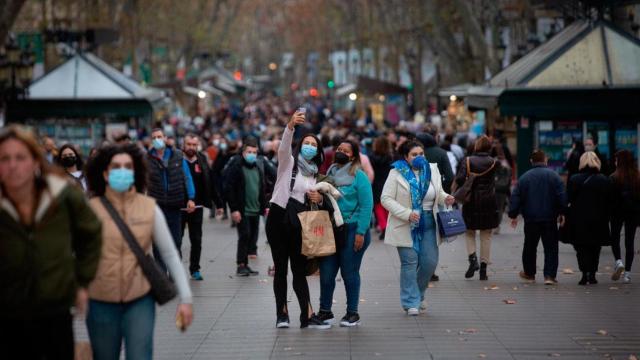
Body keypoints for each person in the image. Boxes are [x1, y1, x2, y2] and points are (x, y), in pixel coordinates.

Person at [0, 125, 102, 359]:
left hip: (54, 307)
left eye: (20, 157)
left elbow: (92, 233)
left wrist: (83, 281)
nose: (13, 165)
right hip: (7, 309)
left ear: (35, 161)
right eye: (5, 158)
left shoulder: (61, 193)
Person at [85, 144, 193, 359]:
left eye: (128, 166)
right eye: (116, 167)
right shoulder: (90, 210)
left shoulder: (148, 207)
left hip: (139, 297)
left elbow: (170, 254)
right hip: (100, 298)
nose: (122, 171)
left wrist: (186, 298)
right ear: (105, 174)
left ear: (135, 173)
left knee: (140, 354)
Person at [266, 110, 330, 329]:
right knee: (281, 268)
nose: (310, 146)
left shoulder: (314, 174)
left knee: (299, 270)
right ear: (300, 144)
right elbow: (284, 147)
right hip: (279, 217)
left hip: (300, 223)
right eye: (307, 142)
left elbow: (319, 202)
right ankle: (281, 313)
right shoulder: (289, 162)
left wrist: (318, 197)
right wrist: (290, 126)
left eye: (314, 144)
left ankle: (307, 314)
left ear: (318, 151)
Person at [381, 140, 454, 315]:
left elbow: (438, 192)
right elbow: (386, 199)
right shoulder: (396, 172)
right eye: (414, 155)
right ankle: (410, 302)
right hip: (405, 223)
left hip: (429, 222)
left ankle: (418, 294)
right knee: (409, 263)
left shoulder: (432, 170)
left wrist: (446, 198)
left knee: (430, 263)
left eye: (421, 153)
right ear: (406, 157)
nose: (419, 157)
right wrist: (407, 213)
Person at [317, 140, 373, 327]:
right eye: (339, 149)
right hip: (331, 229)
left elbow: (367, 205)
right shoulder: (329, 174)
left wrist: (361, 232)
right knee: (326, 273)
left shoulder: (359, 175)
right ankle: (325, 311)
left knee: (349, 272)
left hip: (353, 228)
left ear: (354, 156)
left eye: (346, 151)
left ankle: (352, 313)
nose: (341, 152)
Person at [508, 150, 567, 285]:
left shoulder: (524, 178)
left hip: (531, 219)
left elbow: (516, 197)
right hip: (550, 218)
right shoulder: (555, 177)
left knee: (529, 246)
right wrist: (563, 212)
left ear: (531, 161)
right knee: (551, 247)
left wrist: (513, 214)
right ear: (545, 160)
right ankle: (549, 276)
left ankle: (529, 274)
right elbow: (562, 196)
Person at [147, 128, 196, 268]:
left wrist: (191, 198)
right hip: (156, 206)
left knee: (176, 242)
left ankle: (174, 273)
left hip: (175, 205)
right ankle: (162, 276)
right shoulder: (147, 159)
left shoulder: (178, 156)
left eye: (159, 136)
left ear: (165, 138)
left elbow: (187, 177)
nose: (157, 139)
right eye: (154, 137)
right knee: (158, 245)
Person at [455, 135, 500, 281]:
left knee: (469, 232)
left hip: (471, 200)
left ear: (476, 146)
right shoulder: (494, 162)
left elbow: (460, 179)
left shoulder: (467, 161)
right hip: (489, 200)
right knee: (486, 235)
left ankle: (472, 260)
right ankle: (484, 269)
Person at [224, 138, 270, 276]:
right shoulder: (237, 167)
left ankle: (246, 265)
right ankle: (241, 265)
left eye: (254, 152)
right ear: (243, 153)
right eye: (249, 152)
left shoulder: (257, 168)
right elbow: (229, 188)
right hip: (242, 209)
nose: (252, 155)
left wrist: (264, 206)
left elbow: (261, 188)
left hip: (255, 209)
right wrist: (234, 209)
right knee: (244, 236)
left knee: (251, 237)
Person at [182, 133, 224, 280]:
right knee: (177, 240)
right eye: (189, 144)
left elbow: (210, 182)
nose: (191, 147)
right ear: (183, 145)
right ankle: (176, 271)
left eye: (194, 145)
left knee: (196, 240)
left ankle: (195, 269)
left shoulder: (202, 160)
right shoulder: (178, 161)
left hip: (198, 207)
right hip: (180, 208)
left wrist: (218, 204)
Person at [567, 152, 613, 285]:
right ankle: (592, 274)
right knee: (595, 247)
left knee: (581, 247)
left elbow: (569, 199)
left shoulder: (574, 179)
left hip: (579, 219)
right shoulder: (604, 179)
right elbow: (609, 201)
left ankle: (583, 273)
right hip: (599, 219)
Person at [609, 149, 639, 283]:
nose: (615, 162)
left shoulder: (614, 177)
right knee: (630, 241)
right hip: (633, 213)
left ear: (620, 161)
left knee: (615, 237)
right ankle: (627, 273)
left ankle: (618, 261)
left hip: (616, 212)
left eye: (616, 160)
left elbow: (609, 198)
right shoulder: (637, 177)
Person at [369, 136, 393, 240]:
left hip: (376, 184)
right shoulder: (390, 157)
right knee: (388, 207)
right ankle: (389, 227)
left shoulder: (371, 157)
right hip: (388, 183)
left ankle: (383, 227)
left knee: (378, 207)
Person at [492, 142, 512, 234]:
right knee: (499, 207)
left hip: (494, 187)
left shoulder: (493, 161)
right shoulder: (506, 163)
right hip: (502, 188)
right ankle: (496, 225)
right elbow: (509, 176)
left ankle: (494, 225)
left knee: (495, 207)